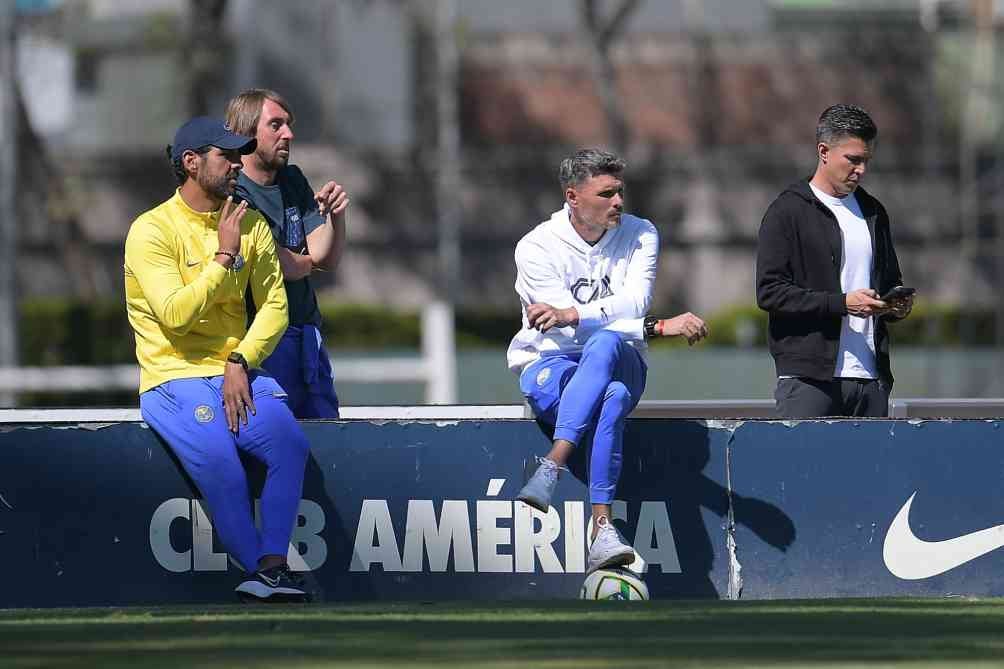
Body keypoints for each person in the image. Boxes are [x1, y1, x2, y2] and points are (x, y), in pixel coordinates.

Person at [124, 116, 311, 602]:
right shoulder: (151, 230)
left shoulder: (249, 221)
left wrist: (240, 360)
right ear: (191, 163)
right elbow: (173, 316)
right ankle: (262, 573)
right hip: (171, 380)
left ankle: (272, 566)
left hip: (233, 371)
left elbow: (275, 306)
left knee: (288, 441)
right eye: (226, 156)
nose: (237, 164)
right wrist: (223, 259)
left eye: (238, 155)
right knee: (222, 464)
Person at [508, 148, 709, 573]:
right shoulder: (535, 246)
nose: (619, 201)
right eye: (607, 193)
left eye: (621, 191)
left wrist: (578, 314)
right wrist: (656, 328)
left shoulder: (641, 233)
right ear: (573, 196)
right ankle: (603, 528)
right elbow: (562, 332)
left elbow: (634, 302)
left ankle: (552, 465)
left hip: (622, 356)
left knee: (603, 349)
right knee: (612, 395)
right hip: (551, 364)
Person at [756, 104, 913, 418]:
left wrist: (894, 305)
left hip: (871, 378)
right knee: (805, 468)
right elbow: (769, 292)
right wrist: (842, 303)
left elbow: (889, 279)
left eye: (866, 161)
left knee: (873, 469)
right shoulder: (787, 211)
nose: (861, 170)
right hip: (809, 380)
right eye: (853, 160)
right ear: (823, 151)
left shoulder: (873, 211)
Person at [224, 89, 348, 419]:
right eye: (276, 125)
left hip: (307, 334)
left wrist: (335, 217)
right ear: (247, 133)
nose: (288, 134)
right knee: (279, 441)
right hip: (263, 344)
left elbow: (325, 257)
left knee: (327, 435)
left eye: (288, 124)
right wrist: (305, 262)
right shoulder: (232, 192)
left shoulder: (292, 179)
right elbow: (280, 265)